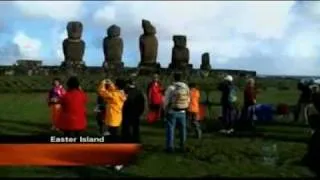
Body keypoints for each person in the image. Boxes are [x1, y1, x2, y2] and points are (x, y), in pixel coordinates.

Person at [98, 78, 127, 171]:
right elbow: (114, 90)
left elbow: (102, 92)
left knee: (115, 142)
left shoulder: (114, 95)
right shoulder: (121, 93)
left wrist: (102, 83)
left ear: (117, 85)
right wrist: (110, 84)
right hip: (116, 118)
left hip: (113, 120)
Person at [163, 72, 190, 153]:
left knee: (170, 129)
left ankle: (170, 147)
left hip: (172, 111)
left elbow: (166, 100)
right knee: (183, 129)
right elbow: (189, 99)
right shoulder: (186, 87)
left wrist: (165, 109)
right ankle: (183, 145)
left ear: (173, 78)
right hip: (183, 111)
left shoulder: (171, 88)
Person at [122, 77, 146, 143]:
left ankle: (125, 139)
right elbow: (142, 103)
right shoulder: (139, 92)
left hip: (126, 112)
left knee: (126, 127)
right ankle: (136, 140)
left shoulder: (125, 91)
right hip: (136, 112)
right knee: (136, 128)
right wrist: (141, 112)